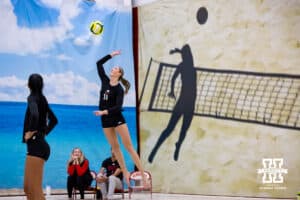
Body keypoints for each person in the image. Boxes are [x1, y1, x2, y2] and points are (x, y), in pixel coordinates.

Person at [93, 50, 146, 185]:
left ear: (119, 74)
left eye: (116, 68)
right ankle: (126, 172)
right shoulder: (105, 81)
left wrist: (104, 112)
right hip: (105, 119)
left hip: (117, 118)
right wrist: (111, 55)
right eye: (113, 67)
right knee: (115, 148)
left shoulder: (119, 89)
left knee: (128, 146)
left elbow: (118, 107)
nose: (113, 68)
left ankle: (142, 173)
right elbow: (99, 64)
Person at [23, 73, 58, 200]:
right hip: (37, 145)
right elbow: (54, 120)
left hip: (37, 146)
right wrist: (43, 134)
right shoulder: (42, 99)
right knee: (27, 188)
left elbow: (35, 115)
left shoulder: (32, 97)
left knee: (35, 190)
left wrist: (31, 132)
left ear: (29, 84)